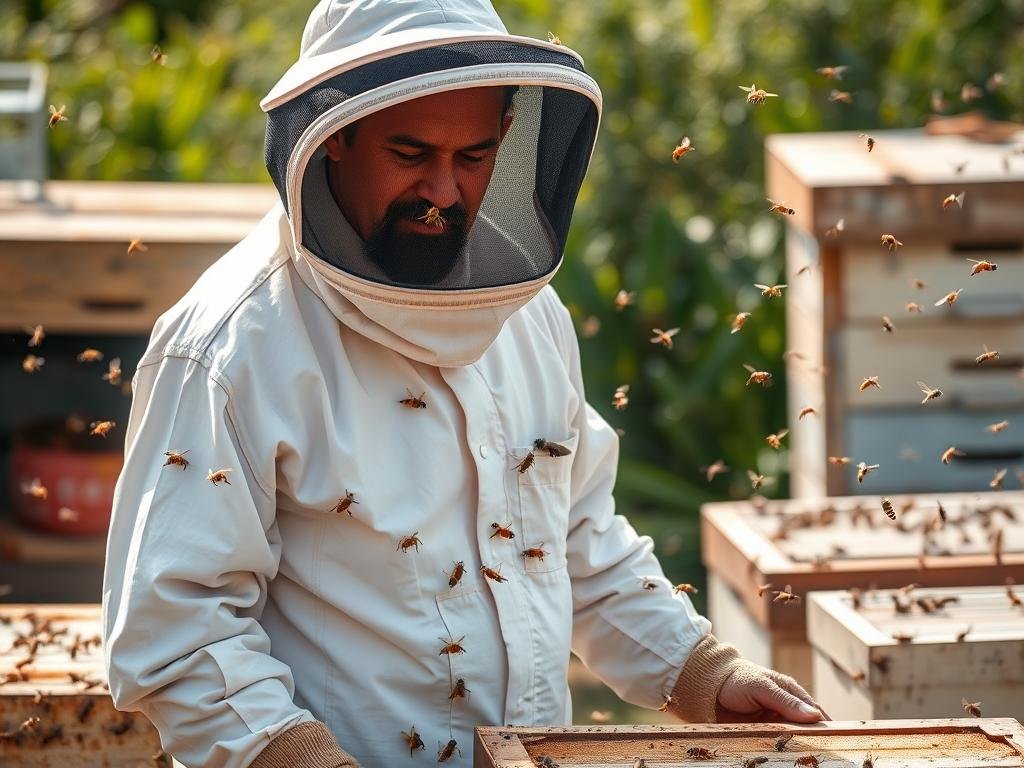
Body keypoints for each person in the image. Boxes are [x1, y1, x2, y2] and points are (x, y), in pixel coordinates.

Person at [102, 1, 826, 766]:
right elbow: (178, 630)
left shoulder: (525, 315)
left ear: (509, 138)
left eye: (473, 157)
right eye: (411, 153)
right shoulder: (229, 349)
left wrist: (703, 672)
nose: (444, 192)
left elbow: (573, 538)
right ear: (334, 136)